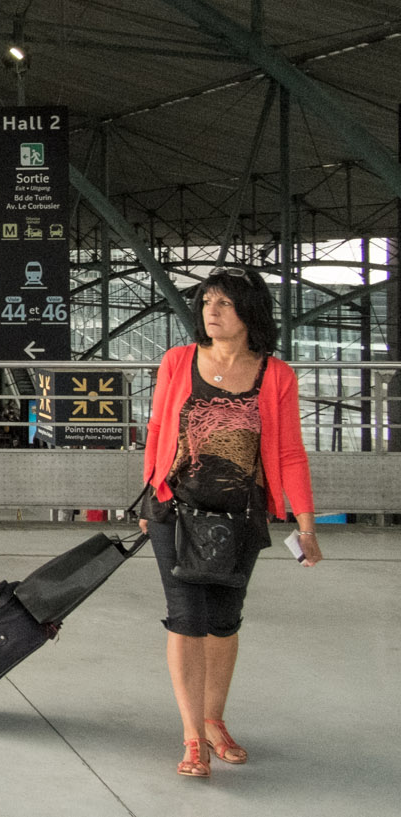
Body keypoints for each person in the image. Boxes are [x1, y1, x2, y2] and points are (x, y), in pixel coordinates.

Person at [137, 268, 323, 779]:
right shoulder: (178, 362)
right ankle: (193, 735)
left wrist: (306, 527)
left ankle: (215, 720)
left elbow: (289, 453)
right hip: (175, 509)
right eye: (205, 303)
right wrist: (148, 493)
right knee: (186, 619)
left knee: (223, 622)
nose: (210, 312)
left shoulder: (276, 375)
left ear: (249, 313)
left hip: (241, 515)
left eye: (222, 303)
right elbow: (157, 429)